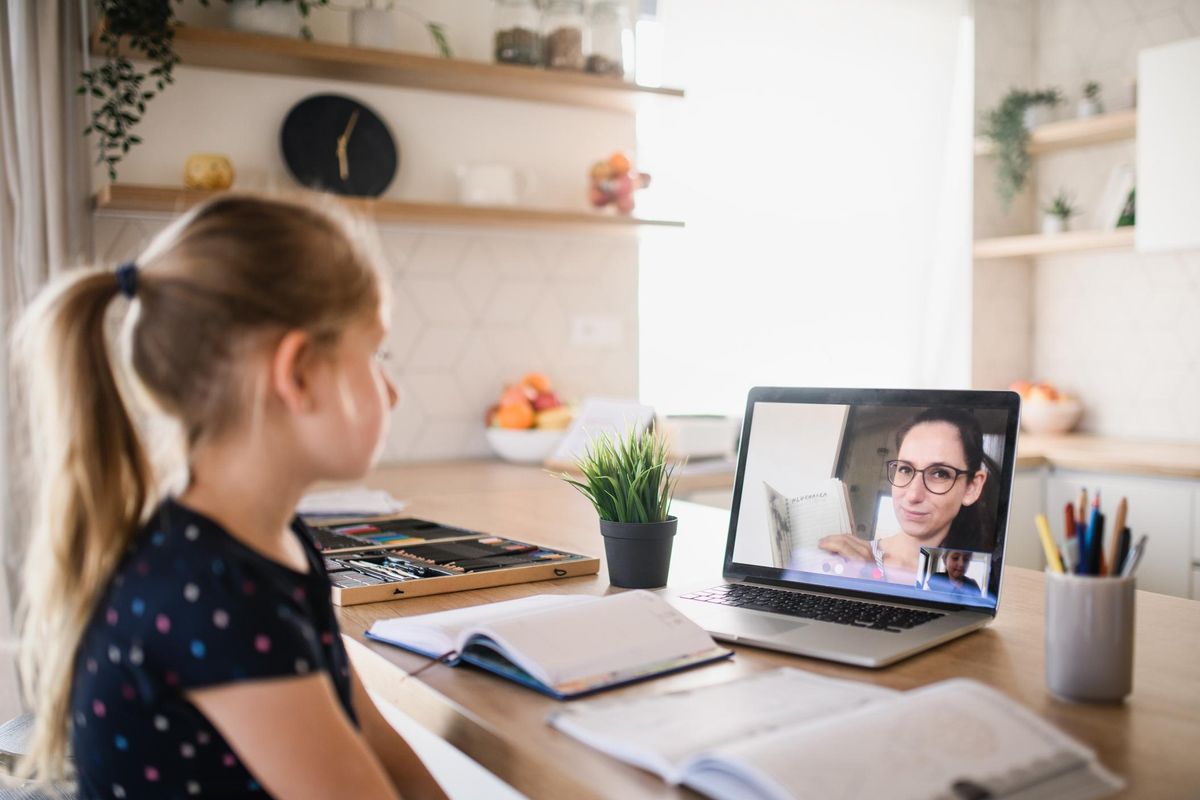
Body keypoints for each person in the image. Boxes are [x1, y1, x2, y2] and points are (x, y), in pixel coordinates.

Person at [14, 196, 447, 799]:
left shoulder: (271, 537)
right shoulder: (218, 589)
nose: (392, 392)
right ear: (295, 373)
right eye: (375, 355)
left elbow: (369, 732)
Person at [818, 407, 996, 586]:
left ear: (972, 488)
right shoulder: (847, 561)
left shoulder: (977, 581)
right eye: (905, 469)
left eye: (940, 474)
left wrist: (872, 578)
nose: (913, 495)